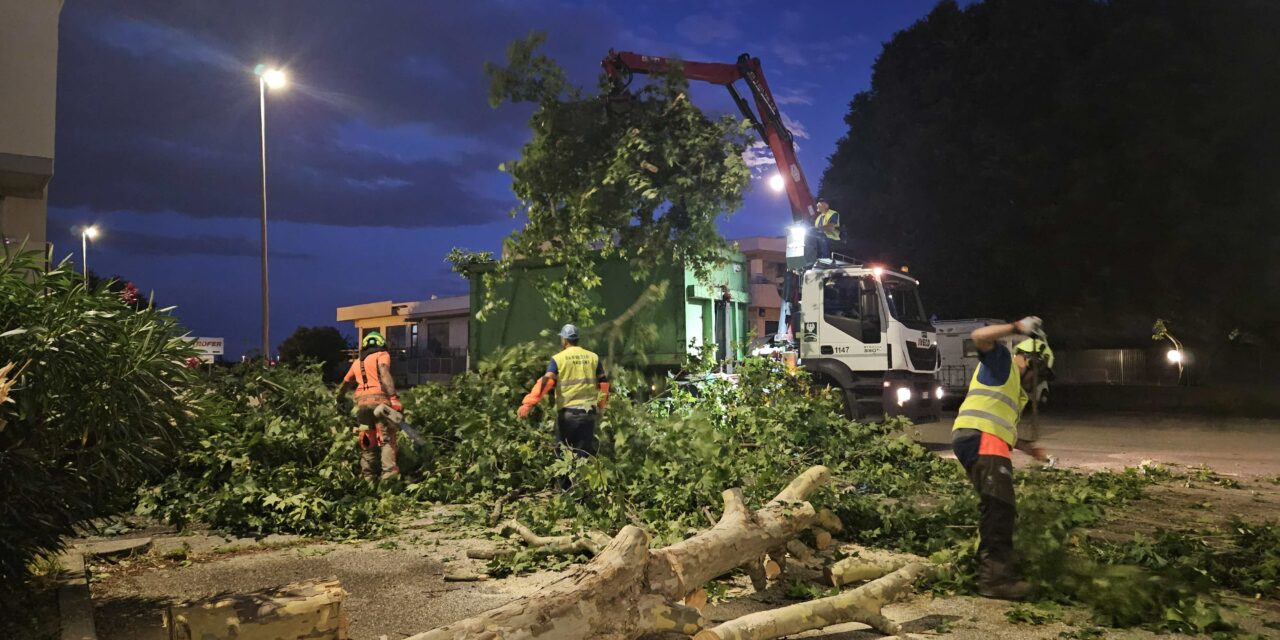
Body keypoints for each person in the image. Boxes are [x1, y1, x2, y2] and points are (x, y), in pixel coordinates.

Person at [952, 316, 1051, 600]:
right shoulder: (1002, 362)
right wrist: (1016, 328)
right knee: (999, 507)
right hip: (982, 439)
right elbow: (979, 335)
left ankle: (993, 571)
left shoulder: (1012, 389)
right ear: (1029, 361)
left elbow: (1001, 425)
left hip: (981, 439)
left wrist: (1028, 447)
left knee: (997, 506)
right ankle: (994, 581)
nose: (1035, 383)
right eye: (1038, 375)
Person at [517, 324, 610, 490]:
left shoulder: (559, 359)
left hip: (567, 415)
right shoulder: (593, 357)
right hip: (587, 415)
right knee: (583, 454)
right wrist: (601, 405)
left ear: (564, 340)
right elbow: (603, 383)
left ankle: (567, 493)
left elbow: (547, 382)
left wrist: (528, 403)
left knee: (563, 454)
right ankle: (582, 494)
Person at [335, 331, 401, 482]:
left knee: (367, 441)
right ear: (381, 344)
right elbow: (384, 373)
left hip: (362, 405)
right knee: (386, 439)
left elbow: (345, 384)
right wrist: (393, 398)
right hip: (380, 401)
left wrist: (339, 399)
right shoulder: (382, 355)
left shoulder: (357, 363)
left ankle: (368, 477)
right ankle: (388, 477)